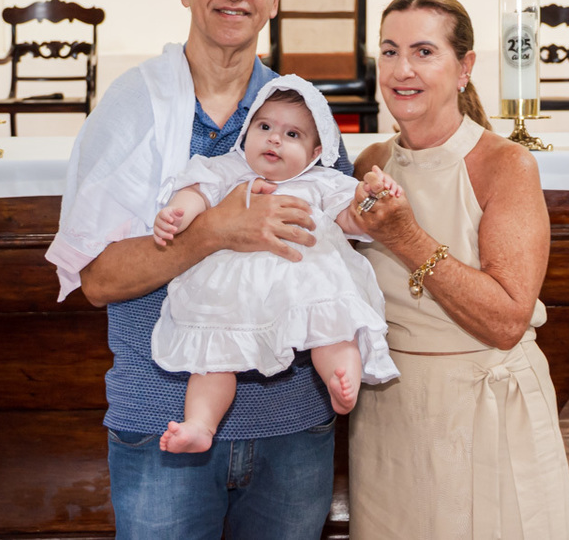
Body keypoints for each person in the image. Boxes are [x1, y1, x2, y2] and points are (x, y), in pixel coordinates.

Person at [46, 0, 353, 539]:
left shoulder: (302, 117)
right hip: (163, 421)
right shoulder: (134, 110)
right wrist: (215, 230)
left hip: (292, 424)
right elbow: (97, 280)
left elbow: (342, 242)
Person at [347, 0, 569, 539]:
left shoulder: (504, 165)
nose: (403, 69)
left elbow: (505, 320)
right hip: (390, 414)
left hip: (484, 410)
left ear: (464, 67)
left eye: (424, 52)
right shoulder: (371, 163)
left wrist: (406, 237)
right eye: (390, 50)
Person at [151, 76, 400, 454]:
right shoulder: (229, 169)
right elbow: (196, 191)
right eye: (264, 127)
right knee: (212, 358)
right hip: (233, 291)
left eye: (292, 134)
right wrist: (176, 214)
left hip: (305, 282)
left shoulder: (319, 181)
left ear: (316, 151)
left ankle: (342, 380)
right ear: (247, 131)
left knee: (335, 330)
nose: (274, 139)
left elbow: (352, 217)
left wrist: (371, 196)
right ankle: (200, 425)